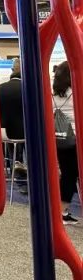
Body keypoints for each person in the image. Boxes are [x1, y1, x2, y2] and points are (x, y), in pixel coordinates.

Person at [52, 61, 79, 226]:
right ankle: (61, 211)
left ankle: (61, 210)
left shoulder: (52, 93)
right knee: (70, 175)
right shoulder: (76, 91)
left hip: (58, 138)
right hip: (75, 138)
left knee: (67, 174)